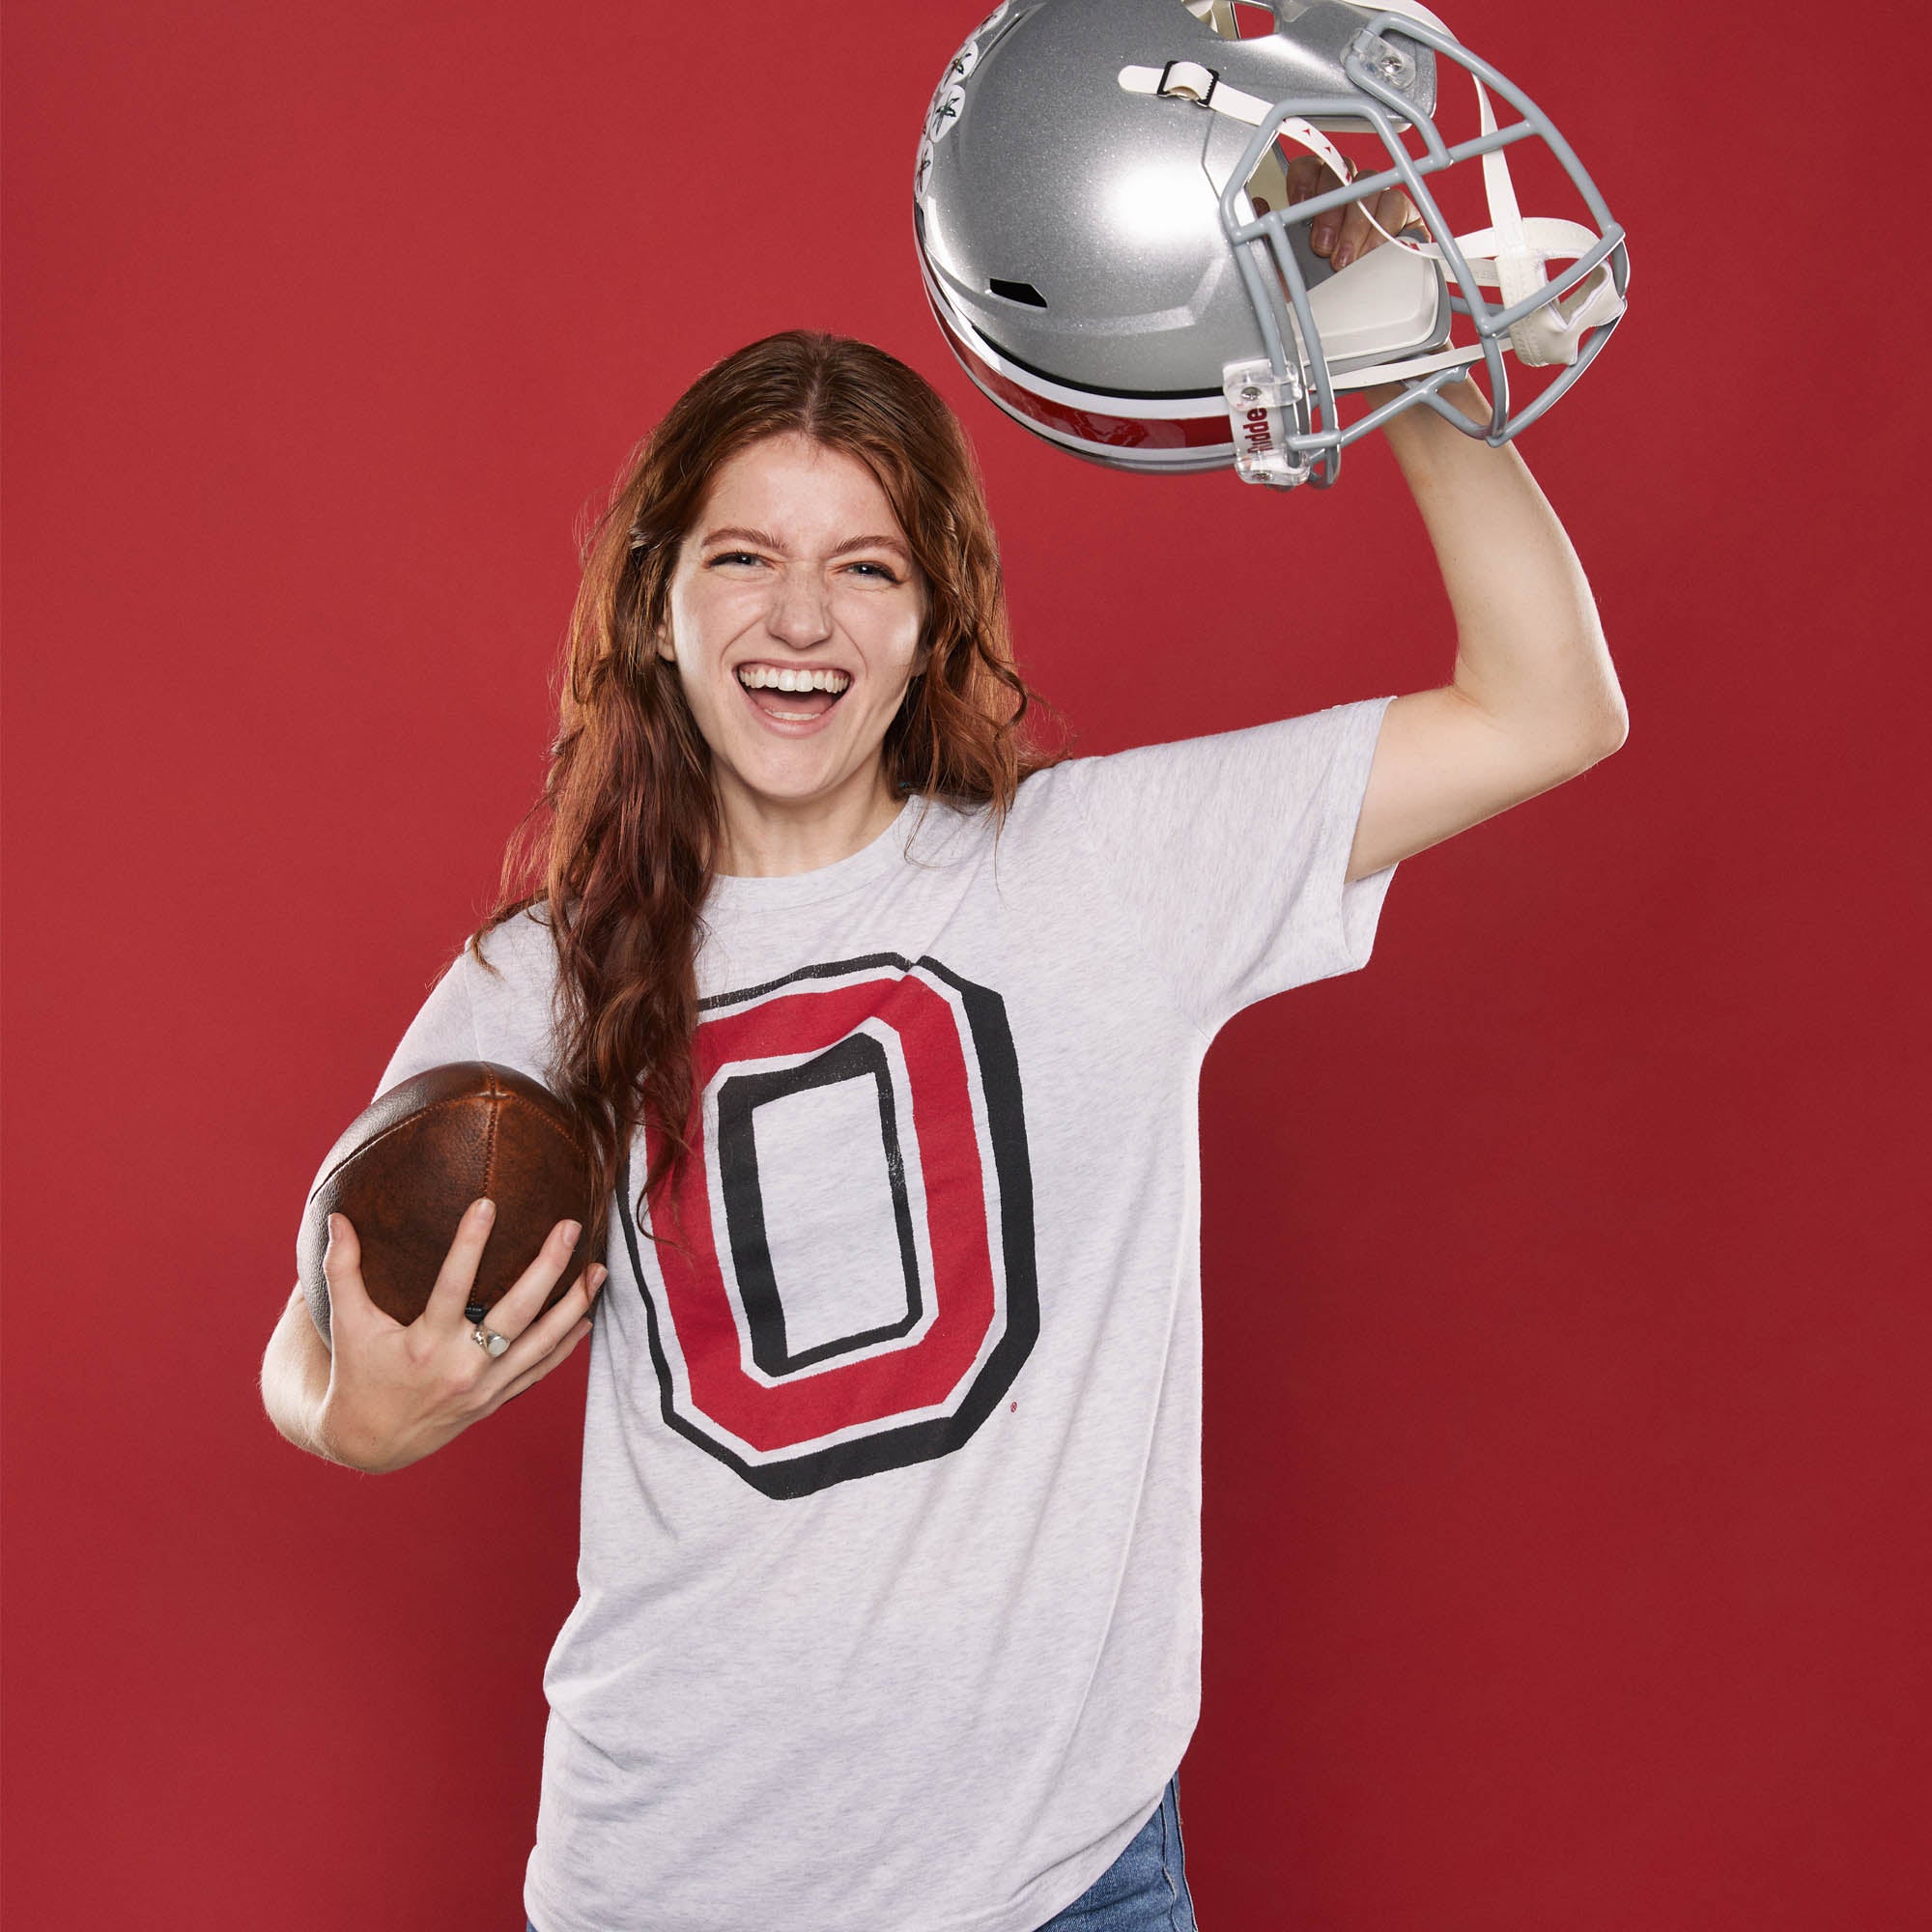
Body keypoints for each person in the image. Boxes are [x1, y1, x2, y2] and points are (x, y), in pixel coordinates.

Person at [260, 265, 1627, 1928]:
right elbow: (317, 1322)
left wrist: (1411, 355)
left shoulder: (1106, 873)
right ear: (655, 601)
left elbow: (1549, 705)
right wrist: (346, 1415)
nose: (800, 621)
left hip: (1063, 1882)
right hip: (676, 1879)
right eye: (744, 559)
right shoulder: (543, 974)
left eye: (865, 568)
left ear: (934, 614)